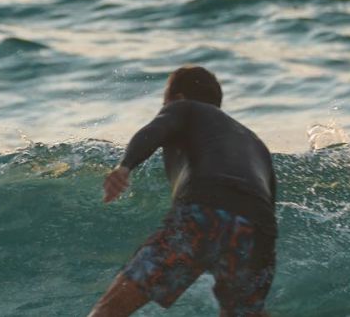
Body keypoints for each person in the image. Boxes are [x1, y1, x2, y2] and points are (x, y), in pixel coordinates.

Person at [89, 66, 277, 317]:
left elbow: (154, 131)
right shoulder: (255, 142)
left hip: (204, 212)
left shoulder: (184, 107)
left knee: (111, 309)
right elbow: (268, 202)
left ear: (176, 97)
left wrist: (125, 167)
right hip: (258, 230)